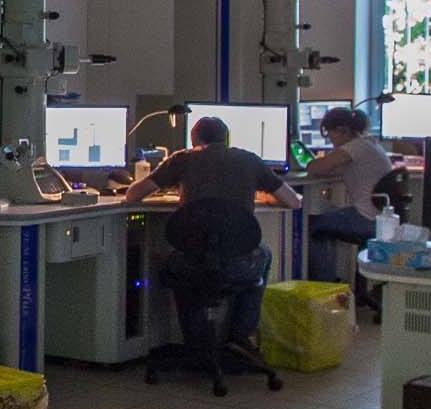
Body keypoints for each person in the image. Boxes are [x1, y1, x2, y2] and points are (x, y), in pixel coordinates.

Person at [127, 116, 302, 350]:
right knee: (264, 255)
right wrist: (263, 195)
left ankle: (193, 343)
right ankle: (240, 338)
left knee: (175, 265)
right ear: (226, 139)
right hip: (240, 265)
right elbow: (293, 201)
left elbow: (133, 195)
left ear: (194, 140)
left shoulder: (182, 159)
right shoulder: (249, 160)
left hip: (189, 264)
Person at [298, 106, 396, 284]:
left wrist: (310, 160)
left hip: (366, 218)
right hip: (380, 219)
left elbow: (315, 168)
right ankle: (329, 280)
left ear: (341, 130)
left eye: (330, 135)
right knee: (327, 220)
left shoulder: (353, 147)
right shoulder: (370, 144)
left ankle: (324, 282)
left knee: (309, 225)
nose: (331, 141)